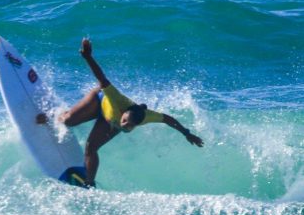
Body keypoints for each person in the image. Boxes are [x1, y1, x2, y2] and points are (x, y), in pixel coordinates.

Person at [36, 38, 204, 188]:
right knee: (68, 121)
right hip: (99, 101)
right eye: (125, 121)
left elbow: (168, 119)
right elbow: (102, 78)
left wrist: (186, 133)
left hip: (109, 120)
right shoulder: (116, 99)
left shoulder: (144, 117)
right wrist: (88, 57)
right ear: (124, 113)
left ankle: (89, 182)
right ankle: (52, 115)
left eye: (130, 126)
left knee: (91, 148)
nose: (125, 126)